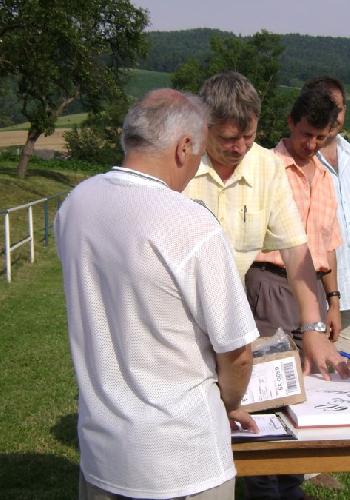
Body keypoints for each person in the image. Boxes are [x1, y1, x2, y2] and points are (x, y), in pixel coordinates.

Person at [55, 89, 260, 499]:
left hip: (103, 455)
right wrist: (230, 401)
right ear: (184, 147)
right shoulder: (191, 224)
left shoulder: (75, 204)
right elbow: (237, 352)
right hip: (184, 460)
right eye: (199, 154)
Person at [182, 71, 349, 380]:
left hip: (230, 319)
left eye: (249, 136)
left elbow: (296, 250)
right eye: (228, 139)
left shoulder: (267, 167)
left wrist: (313, 328)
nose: (240, 148)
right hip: (177, 319)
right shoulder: (180, 162)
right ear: (203, 125)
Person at [243, 88, 343, 500]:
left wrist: (332, 300)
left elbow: (328, 244)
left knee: (302, 390)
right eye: (306, 134)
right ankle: (262, 486)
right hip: (269, 282)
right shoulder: (265, 167)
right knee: (265, 388)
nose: (312, 144)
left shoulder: (326, 177)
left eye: (321, 137)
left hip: (312, 292)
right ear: (289, 122)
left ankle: (291, 484)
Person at [301, 76, 350, 353]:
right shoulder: (298, 161)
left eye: (339, 109)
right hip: (315, 297)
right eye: (326, 107)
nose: (333, 116)